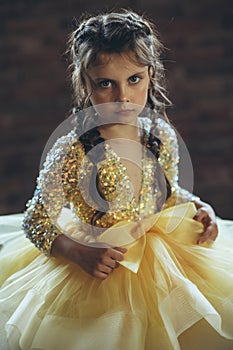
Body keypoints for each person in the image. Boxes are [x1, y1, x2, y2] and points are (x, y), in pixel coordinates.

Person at [0, 9, 232, 350]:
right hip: (99, 267)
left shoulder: (159, 135)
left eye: (134, 79)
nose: (123, 97)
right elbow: (36, 219)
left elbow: (165, 192)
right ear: (85, 83)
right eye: (106, 83)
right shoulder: (73, 151)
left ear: (151, 74)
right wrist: (78, 253)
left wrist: (197, 205)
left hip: (160, 259)